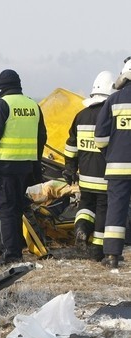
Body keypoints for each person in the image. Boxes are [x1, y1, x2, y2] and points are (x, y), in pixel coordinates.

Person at [0, 69, 48, 265]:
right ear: (18, 84)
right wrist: (35, 162)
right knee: (17, 209)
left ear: (1, 86)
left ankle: (12, 255)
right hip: (25, 167)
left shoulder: (1, 105)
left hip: (4, 167)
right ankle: (16, 250)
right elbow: (42, 137)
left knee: (5, 210)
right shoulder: (33, 105)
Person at [63, 71, 117, 262]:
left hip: (85, 176)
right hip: (105, 176)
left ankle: (81, 229)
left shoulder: (80, 115)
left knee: (86, 205)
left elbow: (71, 145)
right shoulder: (111, 115)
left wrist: (70, 167)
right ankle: (97, 250)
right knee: (103, 209)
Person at [95, 59, 131, 268]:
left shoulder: (114, 100)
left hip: (118, 167)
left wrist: (111, 154)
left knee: (116, 209)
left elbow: (100, 137)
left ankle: (112, 256)